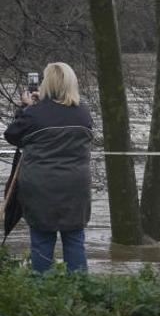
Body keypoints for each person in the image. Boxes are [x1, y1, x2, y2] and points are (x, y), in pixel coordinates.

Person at [3, 63, 93, 273]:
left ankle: (43, 291)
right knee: (74, 238)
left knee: (42, 239)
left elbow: (12, 136)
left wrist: (26, 108)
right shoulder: (83, 113)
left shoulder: (34, 113)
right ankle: (81, 290)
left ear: (46, 83)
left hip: (40, 186)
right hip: (76, 185)